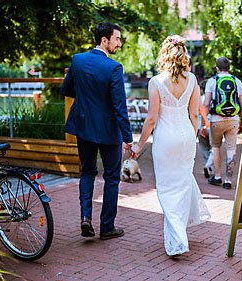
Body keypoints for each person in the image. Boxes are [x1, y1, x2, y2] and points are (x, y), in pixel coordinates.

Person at [133, 35, 211, 257]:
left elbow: (151, 119)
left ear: (164, 55)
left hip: (166, 138)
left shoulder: (156, 82)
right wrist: (193, 137)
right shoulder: (193, 80)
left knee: (167, 188)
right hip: (186, 135)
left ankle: (177, 239)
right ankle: (178, 231)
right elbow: (194, 114)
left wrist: (139, 145)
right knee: (183, 183)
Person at [62, 22, 132, 240]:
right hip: (109, 131)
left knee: (88, 172)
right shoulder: (113, 68)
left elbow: (66, 89)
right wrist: (128, 138)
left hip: (83, 127)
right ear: (105, 40)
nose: (119, 43)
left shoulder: (78, 60)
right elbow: (120, 107)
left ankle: (85, 218)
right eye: (117, 39)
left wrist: (86, 99)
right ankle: (107, 227)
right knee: (111, 177)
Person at [202, 57, 242, 189]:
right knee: (231, 149)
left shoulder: (211, 82)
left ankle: (217, 177)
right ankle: (228, 180)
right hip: (233, 120)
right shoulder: (237, 81)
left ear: (217, 68)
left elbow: (206, 104)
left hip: (216, 119)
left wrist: (204, 123)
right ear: (229, 68)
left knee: (215, 147)